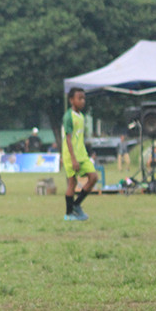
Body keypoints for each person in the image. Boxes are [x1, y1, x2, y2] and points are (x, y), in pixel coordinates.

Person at [62, 87, 98, 221]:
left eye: (84, 98)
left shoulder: (81, 116)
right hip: (71, 155)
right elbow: (68, 139)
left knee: (93, 177)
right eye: (80, 98)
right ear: (71, 100)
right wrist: (73, 159)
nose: (83, 101)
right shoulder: (68, 117)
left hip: (82, 154)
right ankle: (68, 214)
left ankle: (76, 205)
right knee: (72, 183)